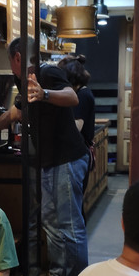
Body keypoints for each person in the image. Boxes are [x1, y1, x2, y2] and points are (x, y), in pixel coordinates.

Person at [0, 38, 89, 276]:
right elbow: (14, 114)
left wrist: (44, 93)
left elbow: (72, 97)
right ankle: (59, 274)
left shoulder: (47, 73)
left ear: (17, 57)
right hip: (47, 161)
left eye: (10, 61)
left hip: (67, 158)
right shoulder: (23, 81)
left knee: (69, 224)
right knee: (50, 221)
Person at [58, 53, 96, 197]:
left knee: (73, 201)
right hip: (81, 153)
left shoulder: (82, 96)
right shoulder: (83, 93)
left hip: (78, 155)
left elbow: (76, 127)